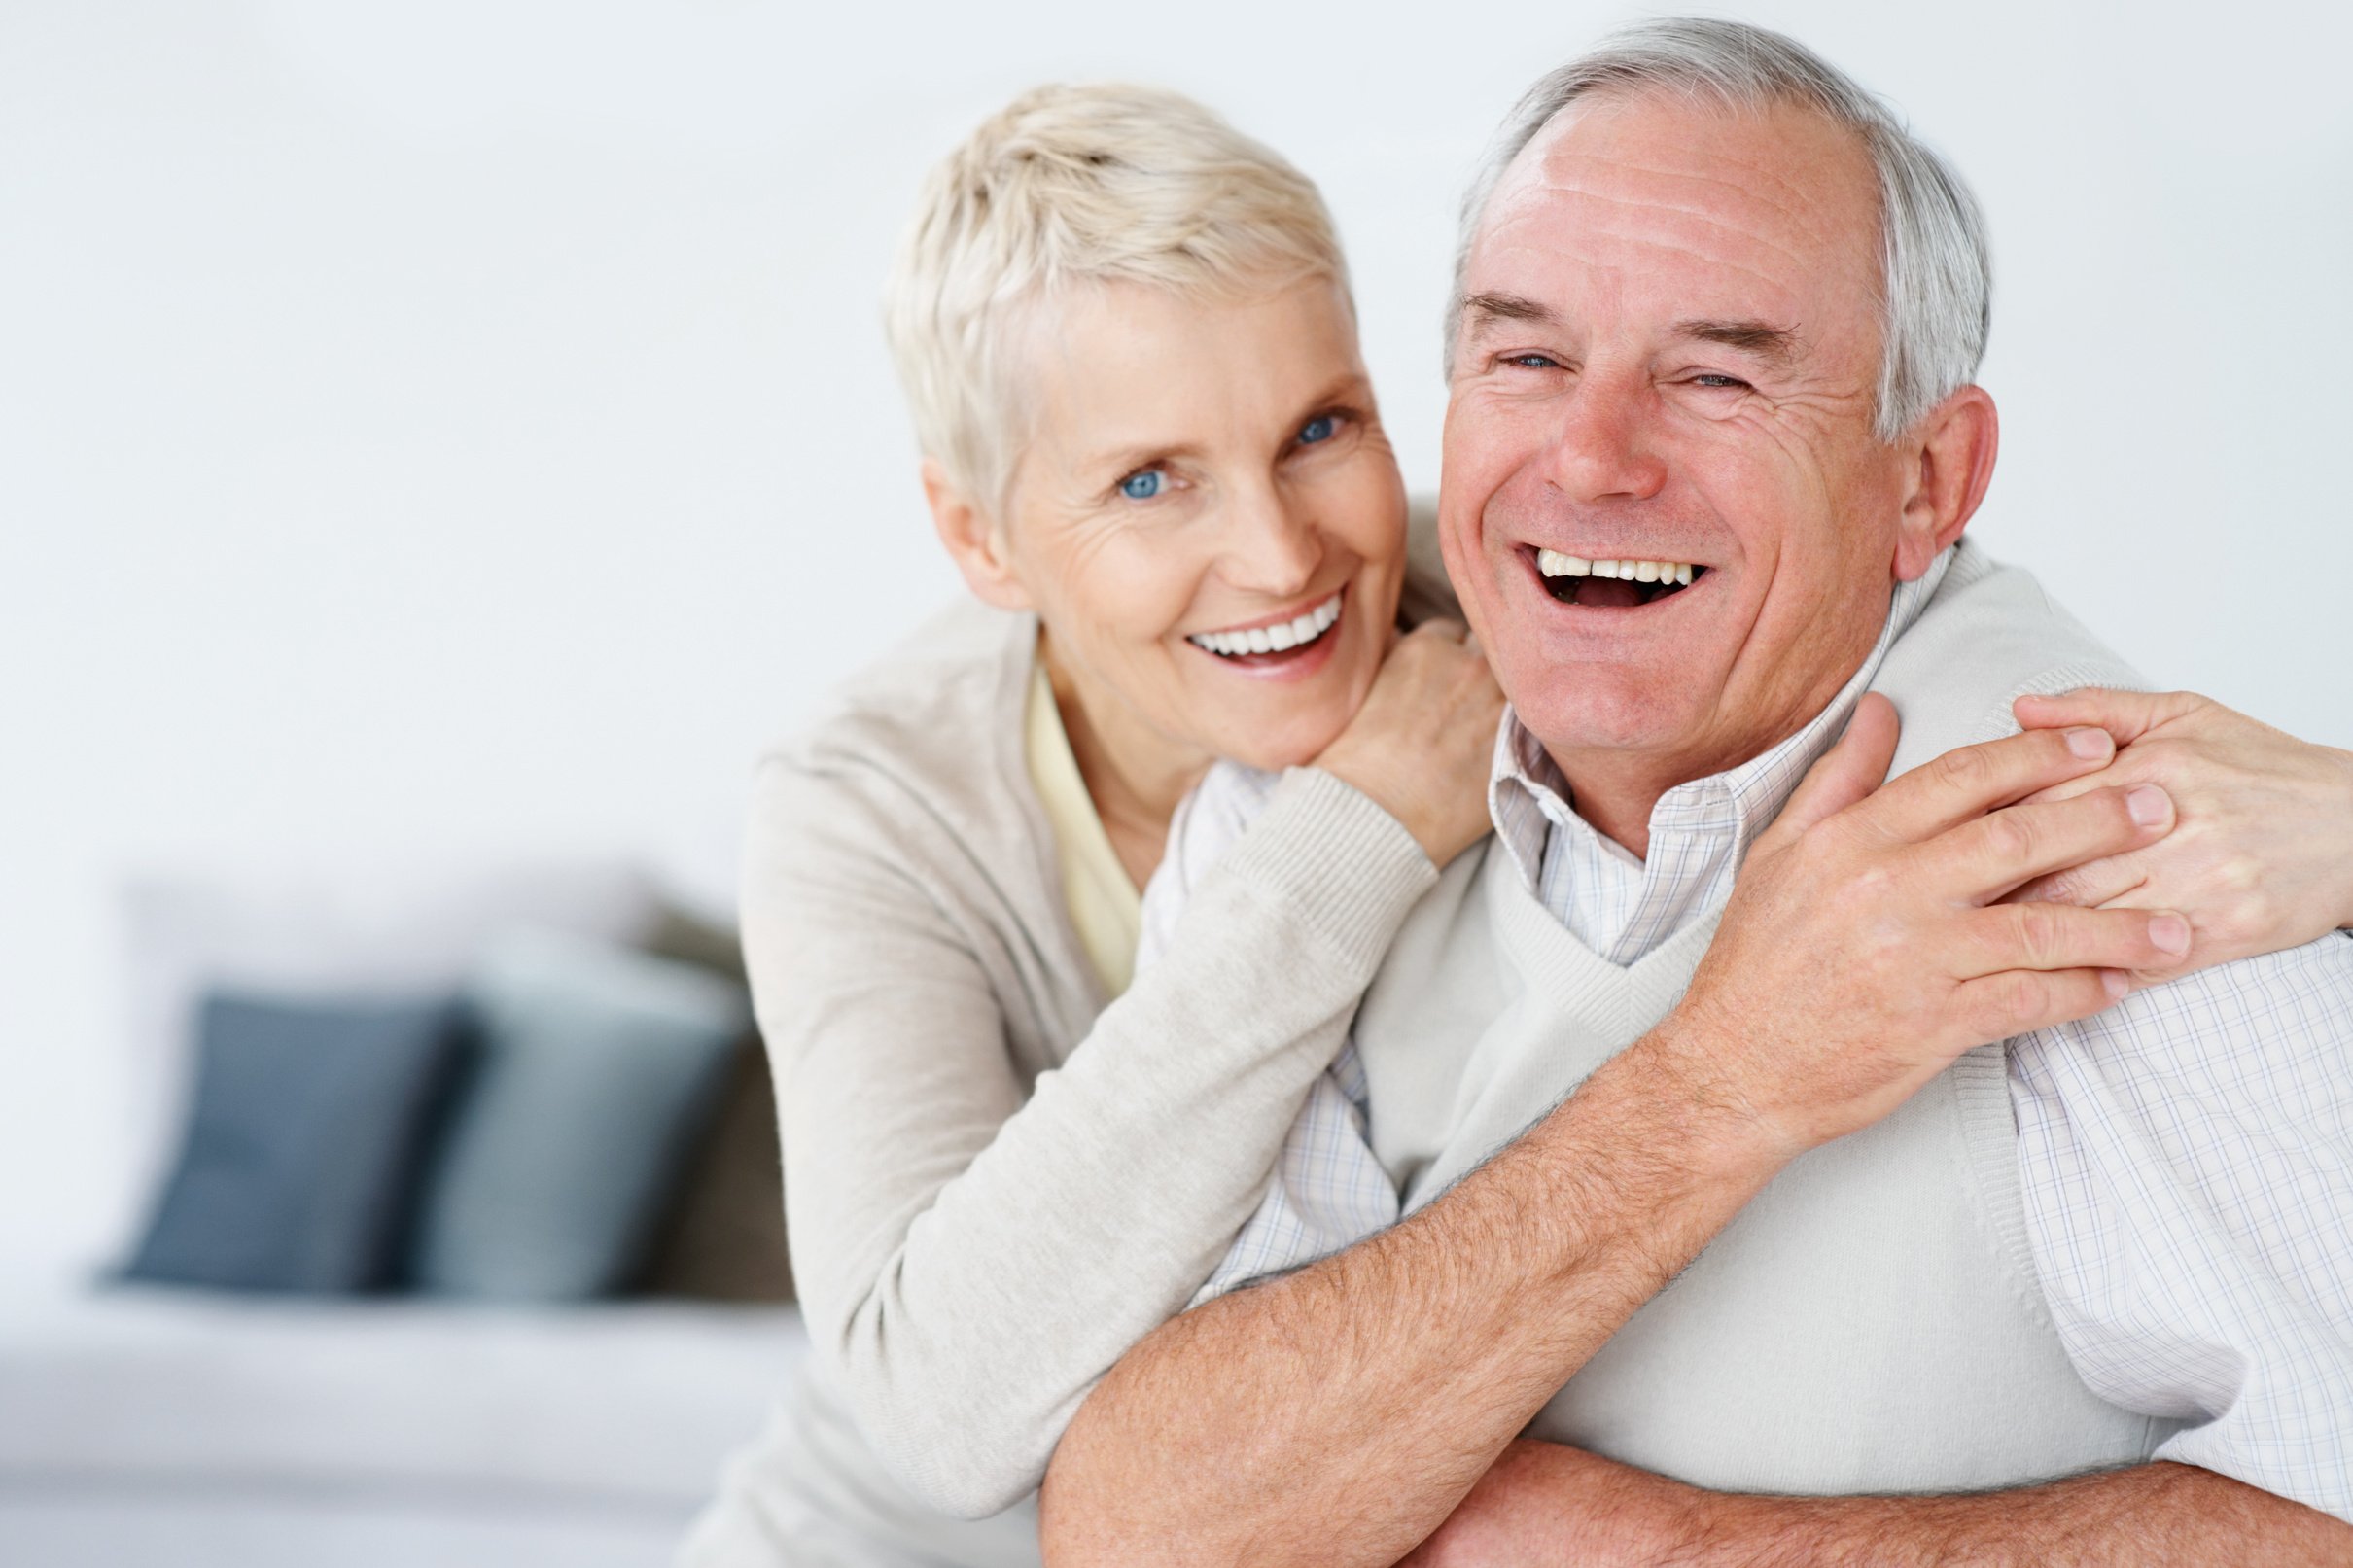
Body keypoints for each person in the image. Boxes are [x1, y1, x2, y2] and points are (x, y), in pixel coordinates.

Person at [682, 77, 2353, 1568]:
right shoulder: (1216, 788)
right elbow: (1075, 1488)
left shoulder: (2114, 829)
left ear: (1929, 479)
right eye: (1529, 357)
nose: (1279, 563)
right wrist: (1721, 1066)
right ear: (982, 538)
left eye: (1714, 376)